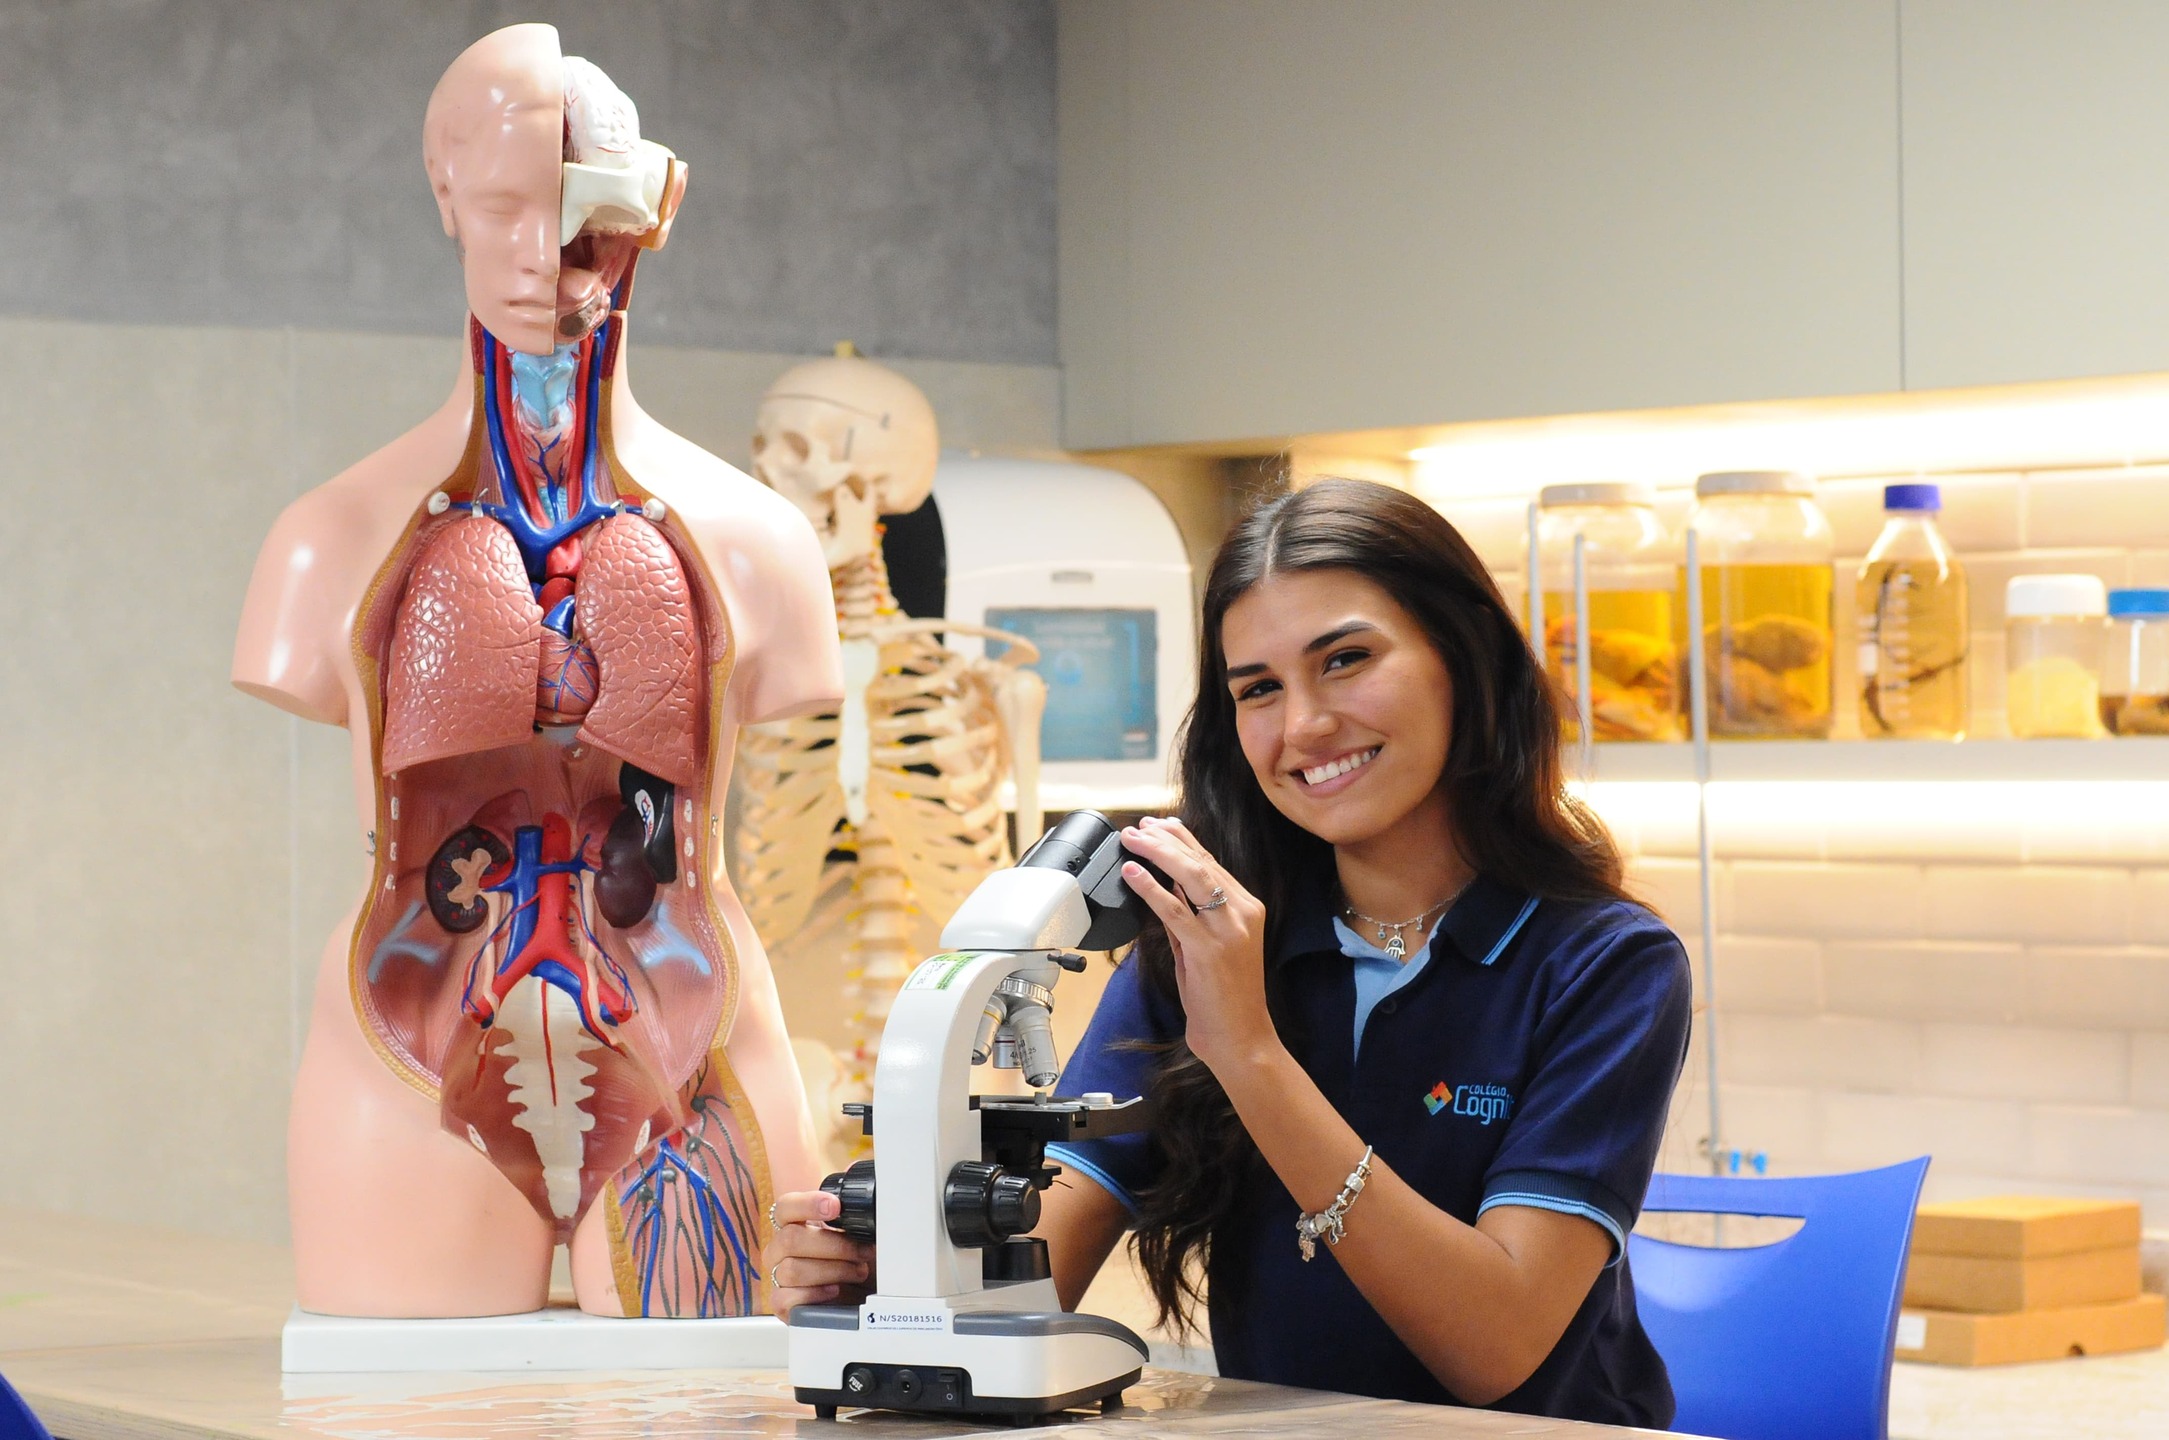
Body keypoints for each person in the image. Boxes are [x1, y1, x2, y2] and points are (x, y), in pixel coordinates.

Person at [764, 478, 1692, 1426]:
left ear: (1463, 657)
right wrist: (905, 1284)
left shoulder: (1606, 966)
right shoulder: (1201, 951)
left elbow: (1494, 1347)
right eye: (1259, 689)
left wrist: (1248, 1052)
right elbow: (1038, 1290)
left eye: (1345, 660)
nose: (1303, 726)